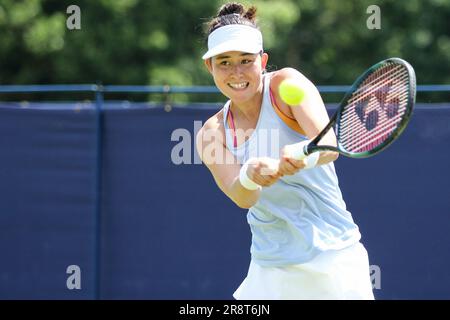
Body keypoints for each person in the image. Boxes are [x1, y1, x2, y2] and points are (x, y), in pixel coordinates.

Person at [196, 2, 374, 300]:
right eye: (224, 62)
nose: (236, 72)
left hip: (333, 254)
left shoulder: (286, 84)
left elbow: (329, 145)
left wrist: (302, 154)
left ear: (263, 61)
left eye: (245, 60)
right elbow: (242, 196)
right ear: (209, 67)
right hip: (270, 268)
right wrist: (251, 175)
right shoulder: (210, 134)